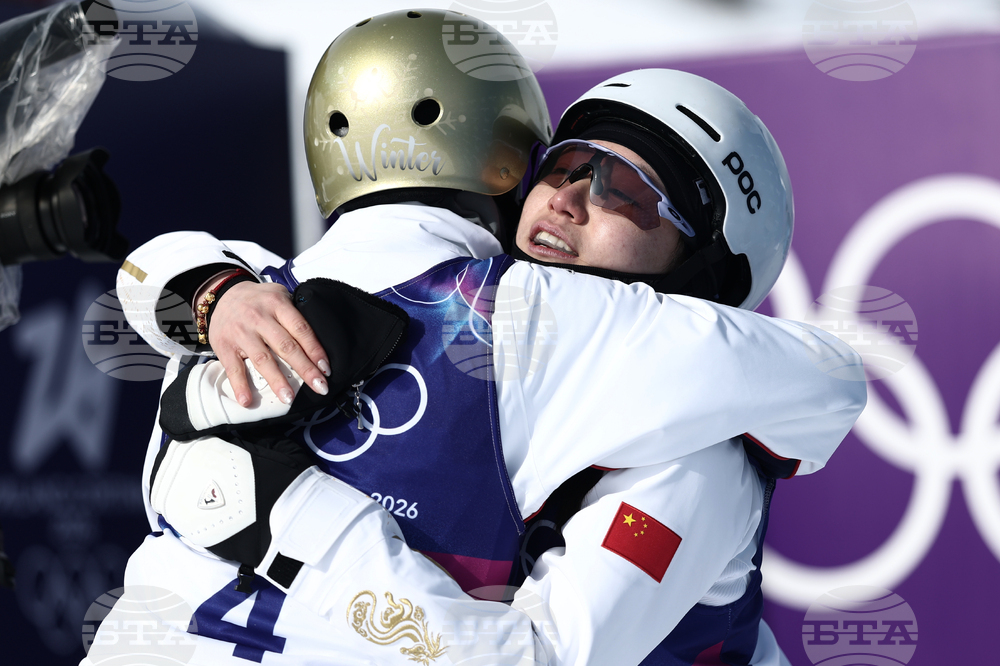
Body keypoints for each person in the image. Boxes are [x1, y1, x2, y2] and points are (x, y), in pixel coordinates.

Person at [97, 11, 864, 666]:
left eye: (625, 191)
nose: (567, 199)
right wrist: (213, 293)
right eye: (563, 166)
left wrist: (284, 526)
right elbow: (166, 267)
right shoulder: (456, 318)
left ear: (700, 270)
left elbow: (542, 656)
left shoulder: (694, 456)